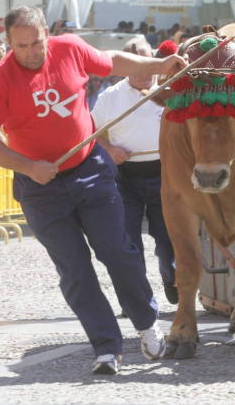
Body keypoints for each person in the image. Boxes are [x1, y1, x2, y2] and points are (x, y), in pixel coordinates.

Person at [0, 5, 186, 374]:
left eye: (37, 43)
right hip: (40, 187)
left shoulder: (69, 48)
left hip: (89, 169)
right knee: (74, 269)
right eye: (22, 46)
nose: (31, 52)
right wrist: (28, 167)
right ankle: (106, 347)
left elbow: (111, 61)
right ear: (9, 43)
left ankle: (147, 324)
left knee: (118, 251)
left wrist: (159, 65)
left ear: (47, 35)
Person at [92, 38, 177, 306]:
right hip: (125, 177)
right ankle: (139, 300)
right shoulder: (110, 97)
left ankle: (172, 277)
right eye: (136, 65)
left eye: (147, 63)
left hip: (165, 175)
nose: (143, 72)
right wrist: (109, 149)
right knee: (128, 241)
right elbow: (91, 131)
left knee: (168, 238)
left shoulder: (170, 91)